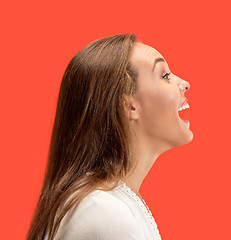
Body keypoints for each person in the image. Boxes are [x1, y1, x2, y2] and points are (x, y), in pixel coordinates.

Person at [26, 33, 192, 240]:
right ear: (128, 105)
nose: (184, 83)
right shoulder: (106, 213)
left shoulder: (112, 204)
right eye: (165, 75)